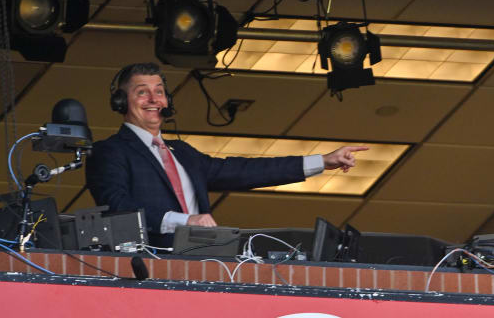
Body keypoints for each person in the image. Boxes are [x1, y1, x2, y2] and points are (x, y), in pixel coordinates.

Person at [85, 62, 367, 247]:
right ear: (121, 102)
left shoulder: (182, 151)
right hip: (145, 266)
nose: (153, 99)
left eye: (159, 92)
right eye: (142, 92)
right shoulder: (109, 151)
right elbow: (116, 207)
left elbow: (244, 172)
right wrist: (185, 220)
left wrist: (323, 161)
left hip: (200, 260)